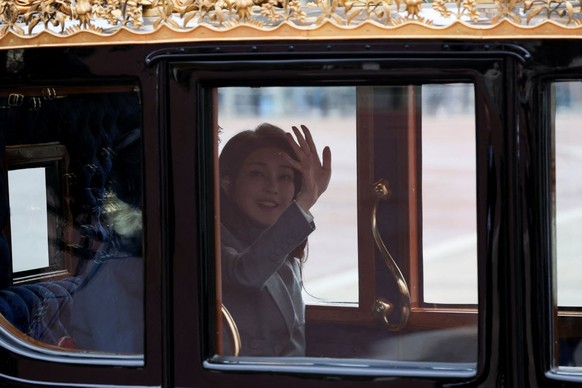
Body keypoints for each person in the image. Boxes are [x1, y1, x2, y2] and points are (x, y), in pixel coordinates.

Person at [219, 123, 331, 357]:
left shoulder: (285, 247)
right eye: (257, 174)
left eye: (285, 177)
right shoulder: (209, 237)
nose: (272, 188)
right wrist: (303, 205)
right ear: (227, 183)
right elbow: (246, 273)